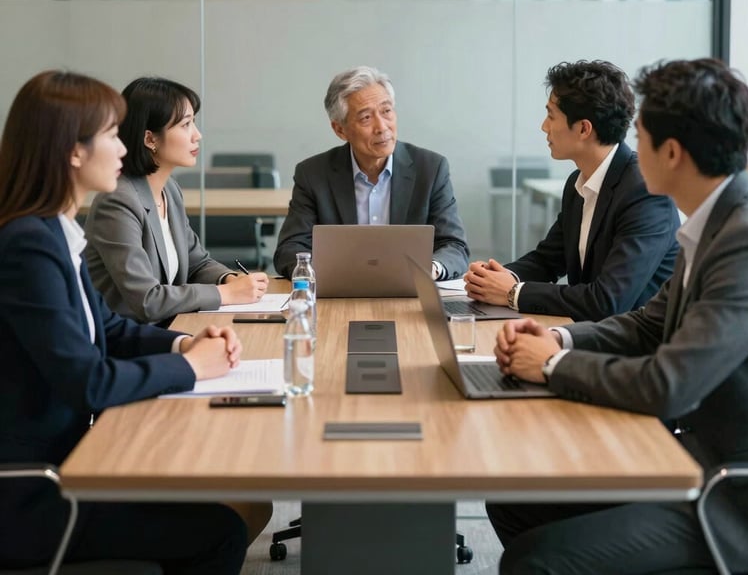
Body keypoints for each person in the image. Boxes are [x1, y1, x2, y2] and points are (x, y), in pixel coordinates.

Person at [488, 58, 748, 574]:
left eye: (639, 136)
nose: (632, 149)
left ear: (672, 152)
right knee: (512, 500)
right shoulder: (713, 220)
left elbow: (669, 383)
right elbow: (645, 324)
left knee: (536, 561)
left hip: (738, 495)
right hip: (690, 458)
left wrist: (549, 367)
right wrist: (557, 340)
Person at [0, 70, 249, 573]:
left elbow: (107, 329)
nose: (122, 148)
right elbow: (87, 380)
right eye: (112, 135)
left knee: (226, 505)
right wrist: (194, 369)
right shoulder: (28, 245)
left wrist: (183, 346)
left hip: (71, 458)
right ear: (74, 152)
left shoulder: (53, 230)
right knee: (221, 531)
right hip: (33, 489)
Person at [464, 59, 679, 322]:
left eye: (551, 115)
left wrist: (513, 293)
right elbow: (547, 260)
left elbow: (608, 300)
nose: (544, 126)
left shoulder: (645, 193)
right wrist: (495, 278)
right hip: (588, 335)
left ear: (583, 128)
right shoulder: (578, 182)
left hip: (633, 349)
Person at [85, 76, 270, 326]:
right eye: (185, 125)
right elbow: (147, 300)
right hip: (126, 340)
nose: (197, 135)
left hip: (170, 325)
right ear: (150, 139)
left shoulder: (169, 189)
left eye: (194, 122)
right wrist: (224, 294)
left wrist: (228, 279)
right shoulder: (118, 202)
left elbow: (197, 263)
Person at [273, 65, 470, 279]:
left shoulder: (431, 169)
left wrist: (430, 269)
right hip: (339, 295)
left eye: (386, 111)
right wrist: (326, 273)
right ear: (340, 130)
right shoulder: (313, 174)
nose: (382, 127)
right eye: (366, 117)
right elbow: (289, 249)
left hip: (411, 294)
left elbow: (454, 246)